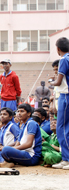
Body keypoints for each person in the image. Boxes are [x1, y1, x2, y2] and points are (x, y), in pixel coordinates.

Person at [0, 104, 42, 168]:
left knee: (5, 150)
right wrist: (12, 149)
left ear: (29, 114)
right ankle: (9, 162)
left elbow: (29, 144)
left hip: (31, 156)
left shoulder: (31, 123)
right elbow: (18, 143)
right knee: (3, 150)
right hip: (23, 152)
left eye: (22, 111)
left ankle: (9, 162)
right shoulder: (23, 125)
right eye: (18, 111)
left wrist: (12, 149)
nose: (19, 113)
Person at [49, 37, 69, 169]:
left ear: (58, 49)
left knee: (61, 127)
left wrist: (51, 83)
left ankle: (66, 158)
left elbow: (58, 82)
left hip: (65, 95)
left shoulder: (64, 59)